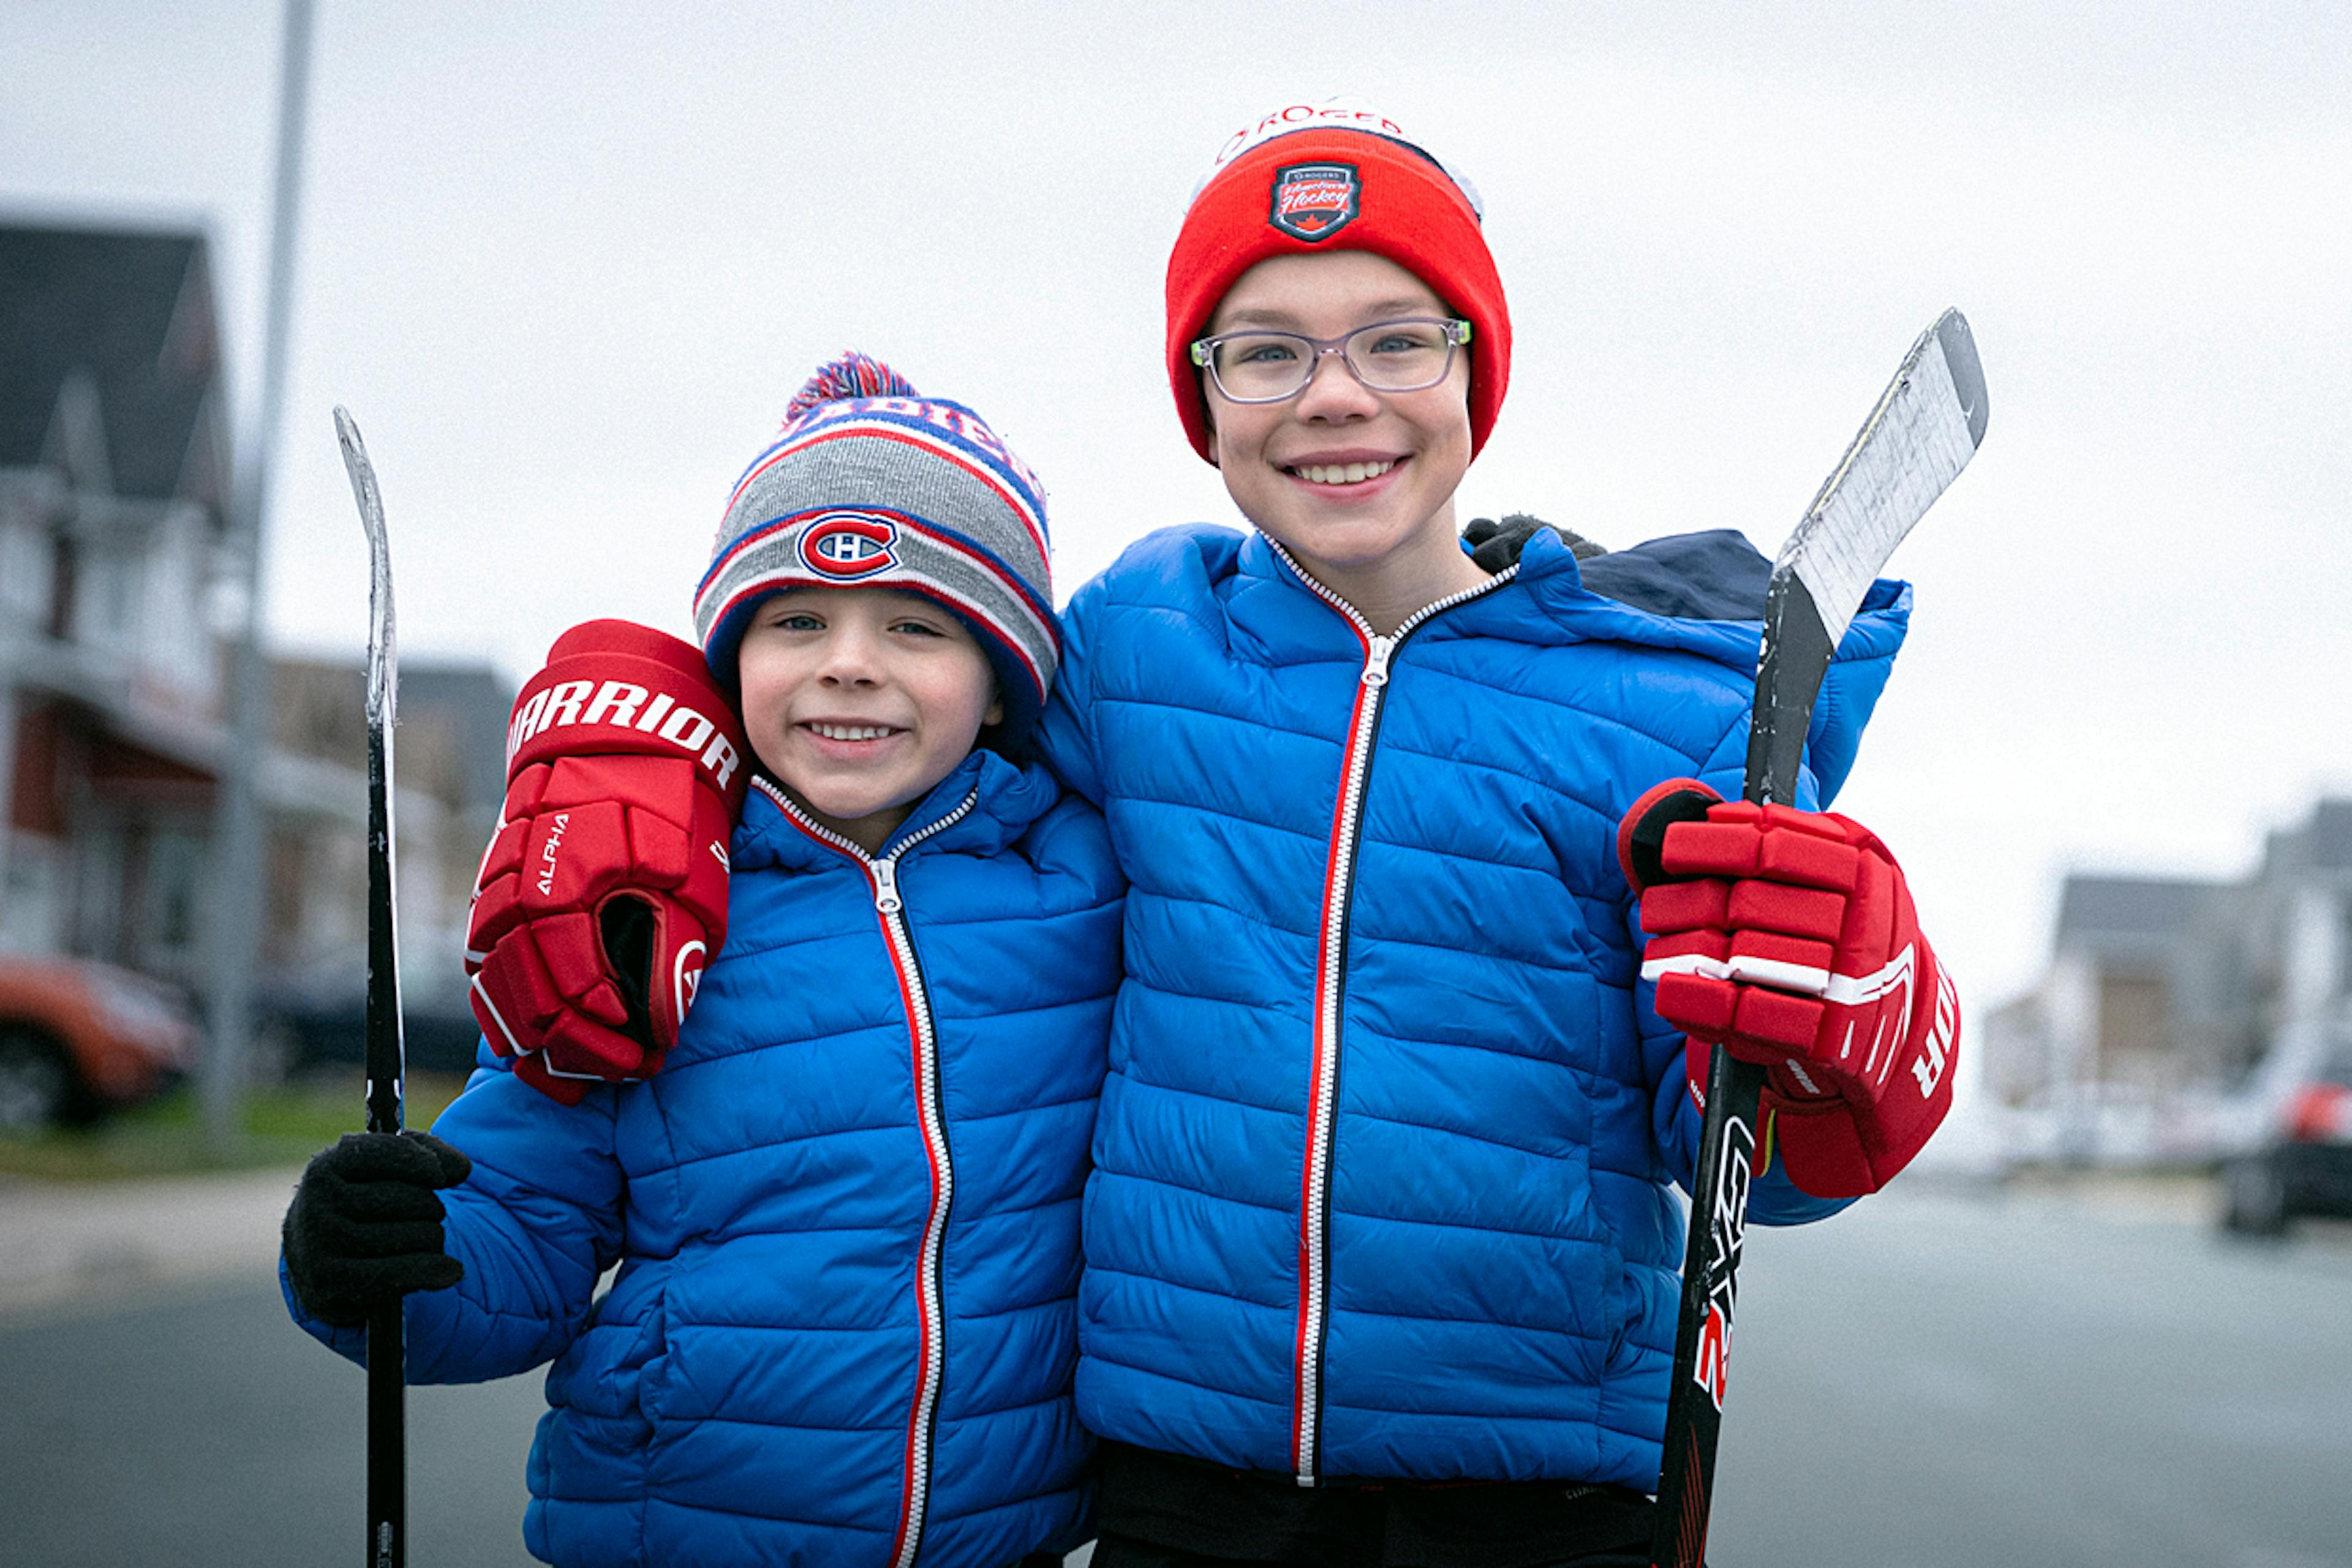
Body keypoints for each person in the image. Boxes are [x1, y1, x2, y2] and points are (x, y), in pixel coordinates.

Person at [459, 100, 1961, 1568]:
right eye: (1267, 351)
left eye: (1395, 336)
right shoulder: (1134, 646)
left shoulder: (1663, 714)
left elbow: (1748, 1156)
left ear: (1473, 370)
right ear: (1203, 395)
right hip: (1191, 1490)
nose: (1335, 394)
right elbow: (881, 732)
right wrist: (635, 733)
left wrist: (1845, 1038)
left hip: (1535, 1488)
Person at [279, 353, 1125, 1568]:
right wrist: (384, 1266)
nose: (849, 660)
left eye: (916, 625)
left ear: (1002, 683)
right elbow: (522, 1226)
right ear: (732, 664)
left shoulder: (1085, 885)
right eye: (797, 620)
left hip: (1008, 1537)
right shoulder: (645, 916)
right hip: (681, 1527)